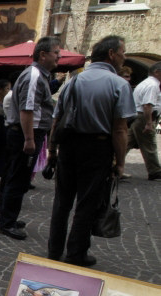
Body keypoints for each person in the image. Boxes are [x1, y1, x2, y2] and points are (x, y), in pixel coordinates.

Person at [47, 35, 136, 267]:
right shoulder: (119, 84)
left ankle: (54, 249)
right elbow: (120, 129)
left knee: (62, 201)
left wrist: (52, 151)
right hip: (97, 148)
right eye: (123, 52)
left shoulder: (74, 81)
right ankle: (76, 252)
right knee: (87, 203)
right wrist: (121, 163)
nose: (124, 57)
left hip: (69, 146)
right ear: (111, 54)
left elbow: (57, 120)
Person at [0, 36, 60, 240]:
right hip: (24, 134)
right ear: (43, 55)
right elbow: (27, 108)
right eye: (55, 53)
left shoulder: (38, 75)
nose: (58, 56)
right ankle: (6, 221)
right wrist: (30, 139)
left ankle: (9, 217)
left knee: (19, 177)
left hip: (25, 133)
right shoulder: (33, 75)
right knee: (17, 178)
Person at [126, 61, 161, 181]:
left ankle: (113, 166)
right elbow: (147, 106)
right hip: (144, 117)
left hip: (139, 117)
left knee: (126, 143)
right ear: (157, 72)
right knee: (149, 144)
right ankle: (155, 171)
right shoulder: (152, 85)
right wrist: (149, 123)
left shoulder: (147, 83)